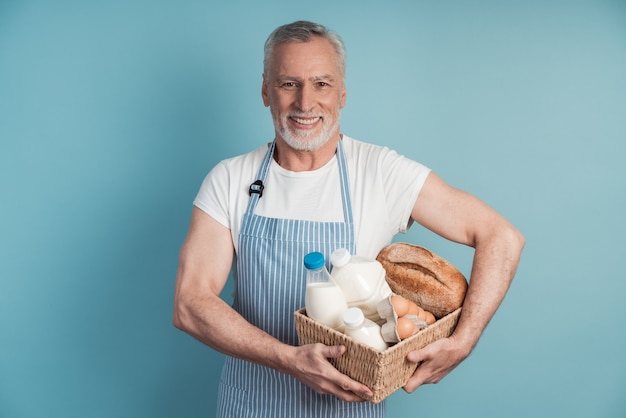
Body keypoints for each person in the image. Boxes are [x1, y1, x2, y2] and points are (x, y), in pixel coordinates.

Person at [173, 20, 525, 417]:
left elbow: (501, 236)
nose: (305, 103)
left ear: (342, 92)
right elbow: (190, 302)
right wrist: (288, 358)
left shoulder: (381, 172)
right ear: (265, 91)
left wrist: (463, 342)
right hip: (252, 404)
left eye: (321, 84)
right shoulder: (231, 178)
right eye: (289, 83)